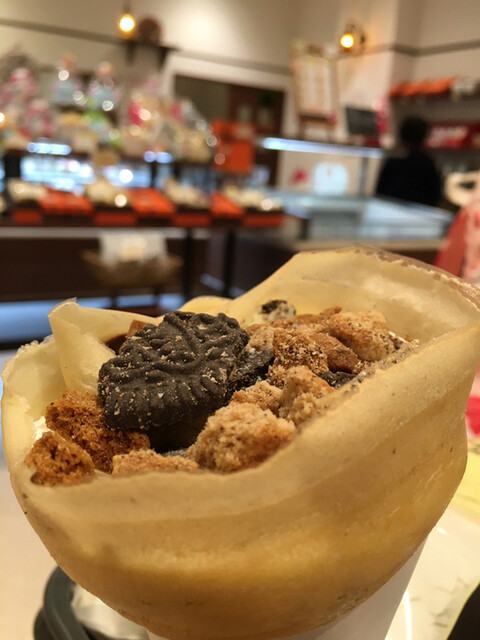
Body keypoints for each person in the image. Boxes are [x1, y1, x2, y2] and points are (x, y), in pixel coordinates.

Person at [375, 116, 442, 207]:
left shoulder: (393, 162)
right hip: (419, 213)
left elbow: (381, 193)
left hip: (392, 211)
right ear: (424, 137)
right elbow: (434, 196)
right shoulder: (427, 163)